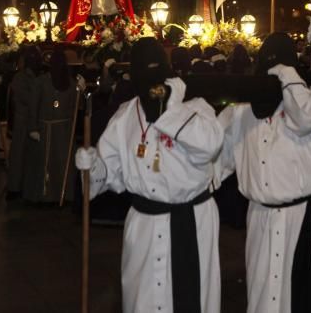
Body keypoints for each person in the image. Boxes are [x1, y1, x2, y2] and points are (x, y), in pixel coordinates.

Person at [75, 37, 224, 312]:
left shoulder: (195, 107)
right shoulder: (125, 116)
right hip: (143, 226)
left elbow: (209, 146)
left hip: (190, 222)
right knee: (142, 300)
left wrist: (168, 112)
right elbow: (109, 172)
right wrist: (91, 164)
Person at [215, 32, 311, 312]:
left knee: (305, 300)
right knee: (263, 297)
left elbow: (306, 119)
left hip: (303, 219)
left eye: (279, 66)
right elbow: (214, 157)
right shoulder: (242, 110)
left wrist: (285, 75)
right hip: (260, 218)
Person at [22, 48, 79, 204]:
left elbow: (75, 107)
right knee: (45, 164)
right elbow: (34, 105)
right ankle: (45, 195)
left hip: (63, 130)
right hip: (46, 129)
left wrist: (81, 91)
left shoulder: (71, 83)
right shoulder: (41, 82)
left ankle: (63, 195)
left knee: (61, 163)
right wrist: (33, 128)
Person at [6, 46, 42, 201]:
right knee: (19, 154)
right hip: (23, 121)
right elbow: (27, 98)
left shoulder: (36, 76)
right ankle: (15, 187)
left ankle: (27, 187)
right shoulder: (20, 78)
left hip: (32, 119)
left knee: (30, 156)